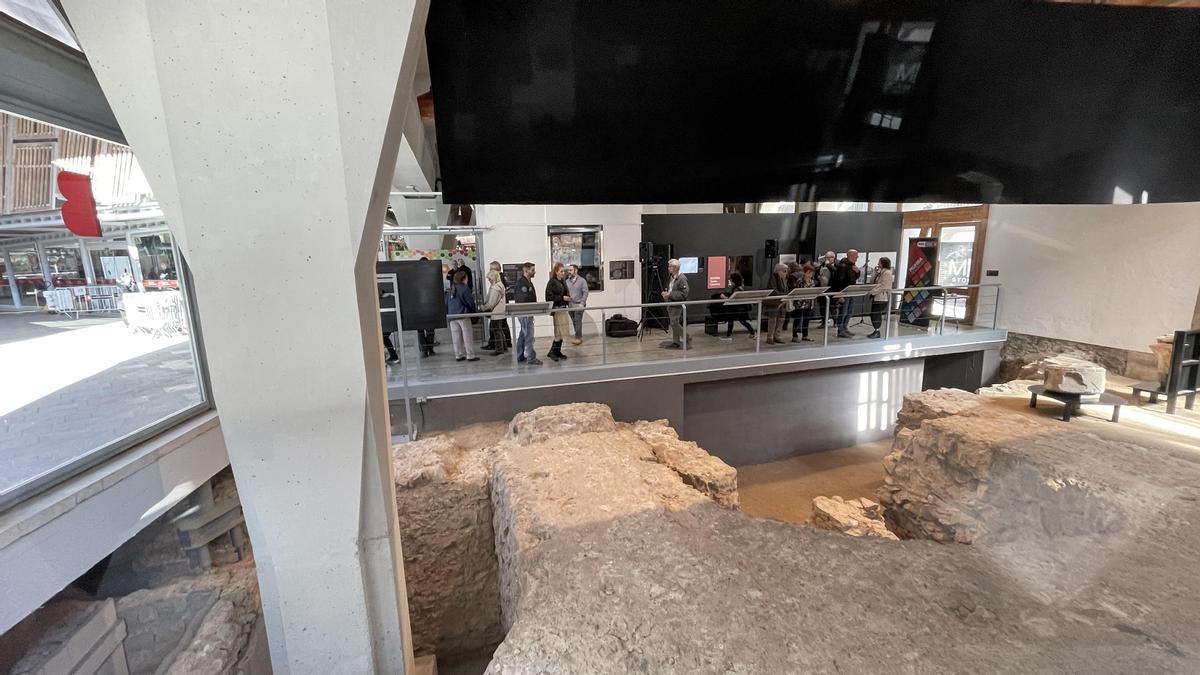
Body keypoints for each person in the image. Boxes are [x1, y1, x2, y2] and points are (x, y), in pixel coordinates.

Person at [513, 262, 542, 365]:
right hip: (525, 313)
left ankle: (519, 355)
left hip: (527, 313)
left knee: (523, 335)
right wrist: (529, 311)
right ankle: (531, 357)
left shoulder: (528, 282)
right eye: (532, 270)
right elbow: (523, 300)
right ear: (526, 270)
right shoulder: (522, 283)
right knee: (529, 335)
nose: (534, 272)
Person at [446, 270, 479, 362]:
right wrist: (474, 312)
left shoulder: (451, 289)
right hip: (463, 315)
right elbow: (470, 302)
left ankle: (458, 355)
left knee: (456, 337)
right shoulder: (465, 288)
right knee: (467, 336)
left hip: (452, 316)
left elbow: (446, 303)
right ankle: (470, 355)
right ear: (464, 278)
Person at [830, 249, 861, 338]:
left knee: (849, 311)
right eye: (856, 255)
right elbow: (839, 280)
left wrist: (858, 272)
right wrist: (840, 294)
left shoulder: (852, 266)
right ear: (851, 255)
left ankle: (844, 328)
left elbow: (854, 278)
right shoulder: (843, 266)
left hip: (851, 292)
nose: (857, 257)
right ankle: (841, 330)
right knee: (843, 312)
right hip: (844, 293)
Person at [660, 258, 690, 349]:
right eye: (668, 266)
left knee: (674, 323)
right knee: (674, 323)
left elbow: (684, 293)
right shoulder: (672, 277)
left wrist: (670, 294)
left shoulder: (682, 278)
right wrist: (666, 294)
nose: (669, 268)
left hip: (676, 304)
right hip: (670, 303)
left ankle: (686, 336)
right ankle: (676, 341)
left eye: (670, 266)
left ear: (676, 268)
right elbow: (671, 288)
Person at [545, 262, 571, 361]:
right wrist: (562, 297)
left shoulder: (562, 281)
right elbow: (549, 297)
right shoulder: (552, 282)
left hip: (563, 308)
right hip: (557, 309)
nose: (563, 273)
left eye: (563, 271)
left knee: (561, 332)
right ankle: (552, 352)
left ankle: (556, 351)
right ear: (556, 271)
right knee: (558, 332)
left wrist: (567, 298)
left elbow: (564, 293)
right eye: (561, 271)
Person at [717, 272, 756, 341]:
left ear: (734, 280)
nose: (730, 281)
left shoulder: (737, 289)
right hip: (740, 308)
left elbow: (732, 299)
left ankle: (729, 335)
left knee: (732, 321)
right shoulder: (739, 288)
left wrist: (724, 297)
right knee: (742, 321)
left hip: (736, 308)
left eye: (731, 280)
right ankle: (752, 333)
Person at [482, 269, 509, 354]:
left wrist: (483, 308)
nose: (489, 280)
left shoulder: (495, 288)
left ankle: (499, 349)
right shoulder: (500, 285)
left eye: (489, 279)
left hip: (496, 312)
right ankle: (503, 347)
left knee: (497, 330)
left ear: (493, 278)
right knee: (499, 330)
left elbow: (491, 303)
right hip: (500, 311)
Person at [868, 256, 894, 339]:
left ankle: (877, 331)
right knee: (873, 314)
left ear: (883, 263)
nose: (878, 264)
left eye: (879, 262)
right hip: (876, 297)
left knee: (876, 314)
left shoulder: (887, 273)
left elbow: (884, 286)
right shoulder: (881, 272)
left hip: (882, 298)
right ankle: (876, 330)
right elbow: (872, 282)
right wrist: (875, 273)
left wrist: (872, 292)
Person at [791, 263, 817, 342]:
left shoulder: (812, 281)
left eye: (812, 273)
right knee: (798, 319)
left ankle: (805, 335)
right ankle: (794, 335)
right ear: (805, 272)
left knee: (806, 319)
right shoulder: (800, 280)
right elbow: (796, 291)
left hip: (809, 303)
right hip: (800, 303)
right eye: (809, 272)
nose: (811, 274)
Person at [765, 263, 790, 345]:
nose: (786, 272)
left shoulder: (783, 279)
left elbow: (786, 289)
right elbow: (773, 290)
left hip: (782, 301)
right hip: (774, 302)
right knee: (773, 320)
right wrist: (783, 295)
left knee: (781, 319)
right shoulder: (773, 277)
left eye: (786, 271)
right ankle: (770, 337)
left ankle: (777, 336)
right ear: (778, 271)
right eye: (784, 271)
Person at [565, 264, 589, 345]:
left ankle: (578, 337)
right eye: (568, 270)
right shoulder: (567, 281)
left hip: (579, 304)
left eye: (571, 270)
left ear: (576, 270)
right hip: (570, 305)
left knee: (577, 320)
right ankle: (578, 336)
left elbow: (585, 292)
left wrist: (582, 303)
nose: (569, 272)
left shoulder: (582, 281)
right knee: (574, 321)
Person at [816, 251, 836, 327]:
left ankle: (835, 322)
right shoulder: (821, 266)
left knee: (833, 307)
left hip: (832, 289)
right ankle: (824, 321)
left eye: (829, 257)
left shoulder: (836, 265)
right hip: (822, 288)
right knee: (822, 306)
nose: (827, 259)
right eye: (826, 257)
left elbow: (835, 272)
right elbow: (816, 273)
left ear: (833, 258)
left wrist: (828, 265)